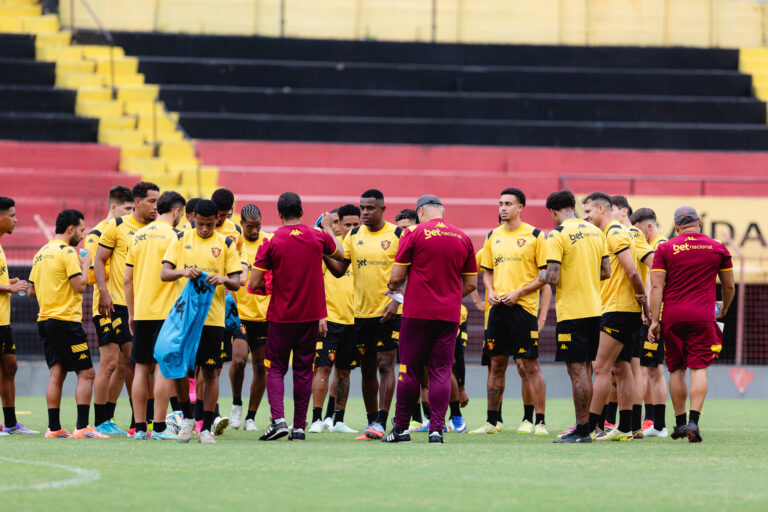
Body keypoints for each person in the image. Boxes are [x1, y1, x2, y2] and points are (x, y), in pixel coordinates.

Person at [249, 192, 343, 441]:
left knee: (276, 368)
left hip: (281, 315)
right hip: (311, 316)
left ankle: (278, 420)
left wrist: (267, 289)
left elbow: (255, 281)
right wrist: (328, 229)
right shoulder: (317, 236)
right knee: (303, 370)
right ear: (302, 211)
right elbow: (341, 255)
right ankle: (299, 427)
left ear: (279, 214)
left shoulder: (271, 240)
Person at [384, 195, 477, 444]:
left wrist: (395, 287)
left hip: (417, 313)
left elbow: (395, 277)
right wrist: (449, 295)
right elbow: (470, 284)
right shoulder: (463, 237)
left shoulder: (413, 234)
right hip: (448, 315)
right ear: (442, 212)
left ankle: (401, 429)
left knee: (410, 370)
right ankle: (437, 429)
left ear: (421, 212)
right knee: (441, 371)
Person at [649, 206, 734, 443]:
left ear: (676, 226)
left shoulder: (665, 248)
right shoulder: (717, 247)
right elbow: (728, 287)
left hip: (673, 317)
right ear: (699, 222)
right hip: (703, 317)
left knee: (676, 369)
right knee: (699, 369)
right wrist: (724, 308)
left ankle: (679, 423)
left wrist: (655, 320)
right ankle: (694, 422)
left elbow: (656, 287)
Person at [161, 199, 242, 444]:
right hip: (185, 318)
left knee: (210, 371)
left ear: (217, 220)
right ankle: (186, 418)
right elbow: (165, 273)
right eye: (201, 224)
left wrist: (223, 279)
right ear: (193, 218)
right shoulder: (181, 239)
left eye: (210, 224)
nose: (205, 229)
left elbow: (237, 282)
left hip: (213, 319)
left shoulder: (226, 243)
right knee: (182, 370)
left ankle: (205, 427)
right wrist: (185, 272)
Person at [324, 189, 403, 440]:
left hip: (388, 311)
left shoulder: (398, 234)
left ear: (382, 209)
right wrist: (323, 251)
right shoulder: (354, 235)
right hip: (361, 314)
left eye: (370, 208)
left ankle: (381, 420)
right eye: (362, 208)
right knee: (367, 369)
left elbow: (410, 272)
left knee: (385, 364)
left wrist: (396, 301)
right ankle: (372, 424)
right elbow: (339, 270)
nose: (365, 213)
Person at [473, 188, 550, 436]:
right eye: (500, 204)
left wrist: (519, 292)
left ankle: (539, 422)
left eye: (508, 204)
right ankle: (492, 422)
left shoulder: (536, 236)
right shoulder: (492, 235)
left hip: (523, 309)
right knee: (496, 364)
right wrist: (490, 291)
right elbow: (487, 271)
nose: (503, 208)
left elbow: (545, 275)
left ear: (520, 207)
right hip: (497, 310)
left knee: (530, 365)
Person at [29, 209, 107, 438]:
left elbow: (32, 291)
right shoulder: (67, 252)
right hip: (66, 321)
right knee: (87, 373)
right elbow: (81, 286)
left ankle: (53, 428)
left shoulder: (40, 253)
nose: (83, 235)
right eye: (82, 230)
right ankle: (82, 427)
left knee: (57, 373)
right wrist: (86, 264)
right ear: (71, 229)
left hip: (45, 320)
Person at [541, 190, 610, 443]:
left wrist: (541, 276)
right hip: (595, 309)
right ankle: (589, 427)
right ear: (573, 206)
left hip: (572, 311)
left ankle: (582, 431)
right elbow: (606, 272)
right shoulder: (596, 232)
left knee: (577, 371)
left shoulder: (558, 234)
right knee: (588, 369)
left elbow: (554, 277)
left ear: (553, 212)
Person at [582, 192, 647, 441]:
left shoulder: (614, 232)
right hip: (620, 309)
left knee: (600, 368)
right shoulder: (608, 233)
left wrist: (643, 297)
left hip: (618, 310)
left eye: (588, 212)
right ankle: (626, 427)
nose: (585, 216)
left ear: (602, 209)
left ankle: (589, 428)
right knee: (622, 368)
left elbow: (632, 271)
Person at [125, 191, 186, 440]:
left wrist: (131, 313)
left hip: (142, 311)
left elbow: (127, 279)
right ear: (177, 211)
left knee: (141, 369)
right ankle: (159, 427)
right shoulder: (176, 237)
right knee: (163, 368)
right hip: (168, 313)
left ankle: (140, 427)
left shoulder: (137, 236)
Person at [83, 185, 134, 434]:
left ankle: (109, 418)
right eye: (127, 208)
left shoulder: (129, 230)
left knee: (124, 363)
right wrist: (106, 292)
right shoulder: (96, 234)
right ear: (113, 207)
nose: (131, 213)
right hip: (105, 306)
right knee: (109, 362)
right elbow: (93, 274)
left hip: (126, 305)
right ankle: (100, 420)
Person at [309, 204, 360, 434]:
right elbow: (315, 283)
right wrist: (320, 314)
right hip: (329, 319)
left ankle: (338, 420)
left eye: (354, 225)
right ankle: (317, 419)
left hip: (354, 320)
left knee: (345, 372)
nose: (350, 228)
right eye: (345, 224)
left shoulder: (359, 249)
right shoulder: (325, 250)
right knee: (322, 369)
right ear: (336, 225)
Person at [611, 195, 655, 438]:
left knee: (626, 369)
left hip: (628, 312)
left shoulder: (632, 235)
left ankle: (627, 424)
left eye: (613, 210)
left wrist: (647, 302)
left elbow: (653, 263)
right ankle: (630, 425)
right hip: (626, 310)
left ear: (624, 212)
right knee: (625, 370)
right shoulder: (616, 234)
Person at [229, 204, 272, 432]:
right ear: (242, 224)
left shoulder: (269, 241)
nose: (254, 231)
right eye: (249, 227)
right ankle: (236, 403)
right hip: (241, 314)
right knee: (238, 360)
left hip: (265, 315)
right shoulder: (235, 242)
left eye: (257, 226)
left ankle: (251, 417)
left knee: (260, 366)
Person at [631, 207, 669, 437]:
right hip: (661, 315)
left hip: (657, 316)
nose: (637, 236)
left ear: (649, 227)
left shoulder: (657, 247)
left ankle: (650, 423)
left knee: (646, 370)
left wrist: (650, 314)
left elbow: (655, 284)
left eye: (638, 231)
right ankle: (657, 424)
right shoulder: (661, 245)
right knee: (654, 370)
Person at [0, 197, 36, 435]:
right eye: (12, 215)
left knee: (10, 367)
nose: (16, 219)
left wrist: (7, 282)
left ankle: (11, 424)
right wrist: (7, 288)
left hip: (4, 321)